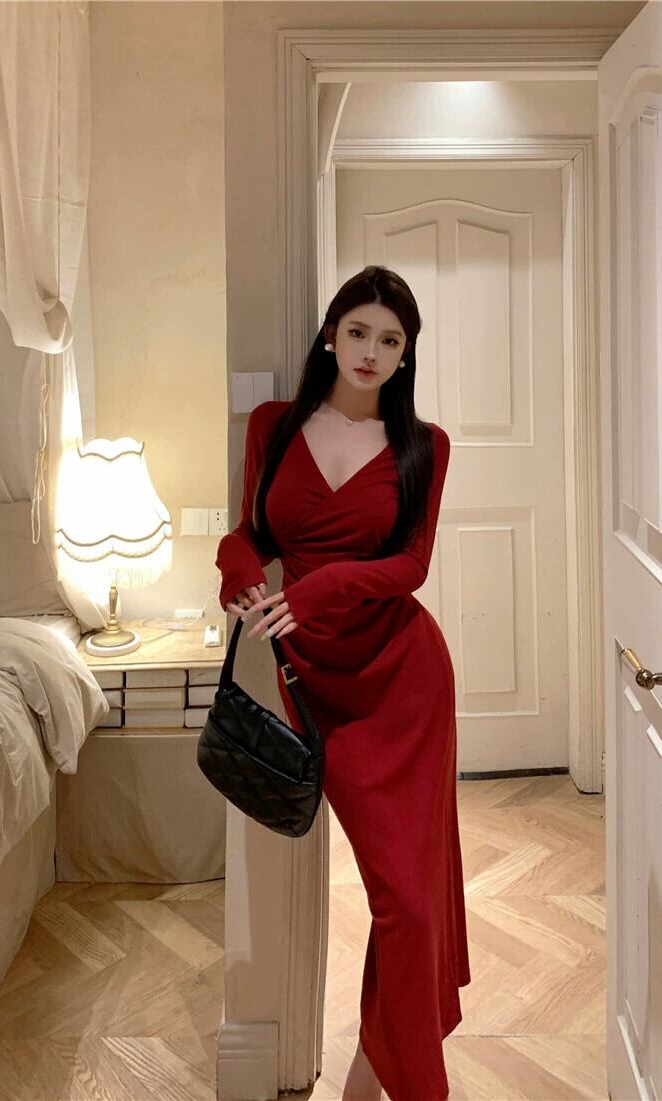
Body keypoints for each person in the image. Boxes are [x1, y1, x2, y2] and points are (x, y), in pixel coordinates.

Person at [215, 265, 471, 1101]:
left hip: (403, 680)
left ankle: (378, 1080)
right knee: (403, 902)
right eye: (358, 332)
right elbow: (250, 534)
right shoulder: (275, 425)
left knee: (408, 903)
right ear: (330, 334)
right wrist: (237, 572)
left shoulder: (423, 445)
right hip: (314, 681)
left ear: (406, 356)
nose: (370, 351)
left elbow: (411, 565)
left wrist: (321, 587)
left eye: (390, 340)